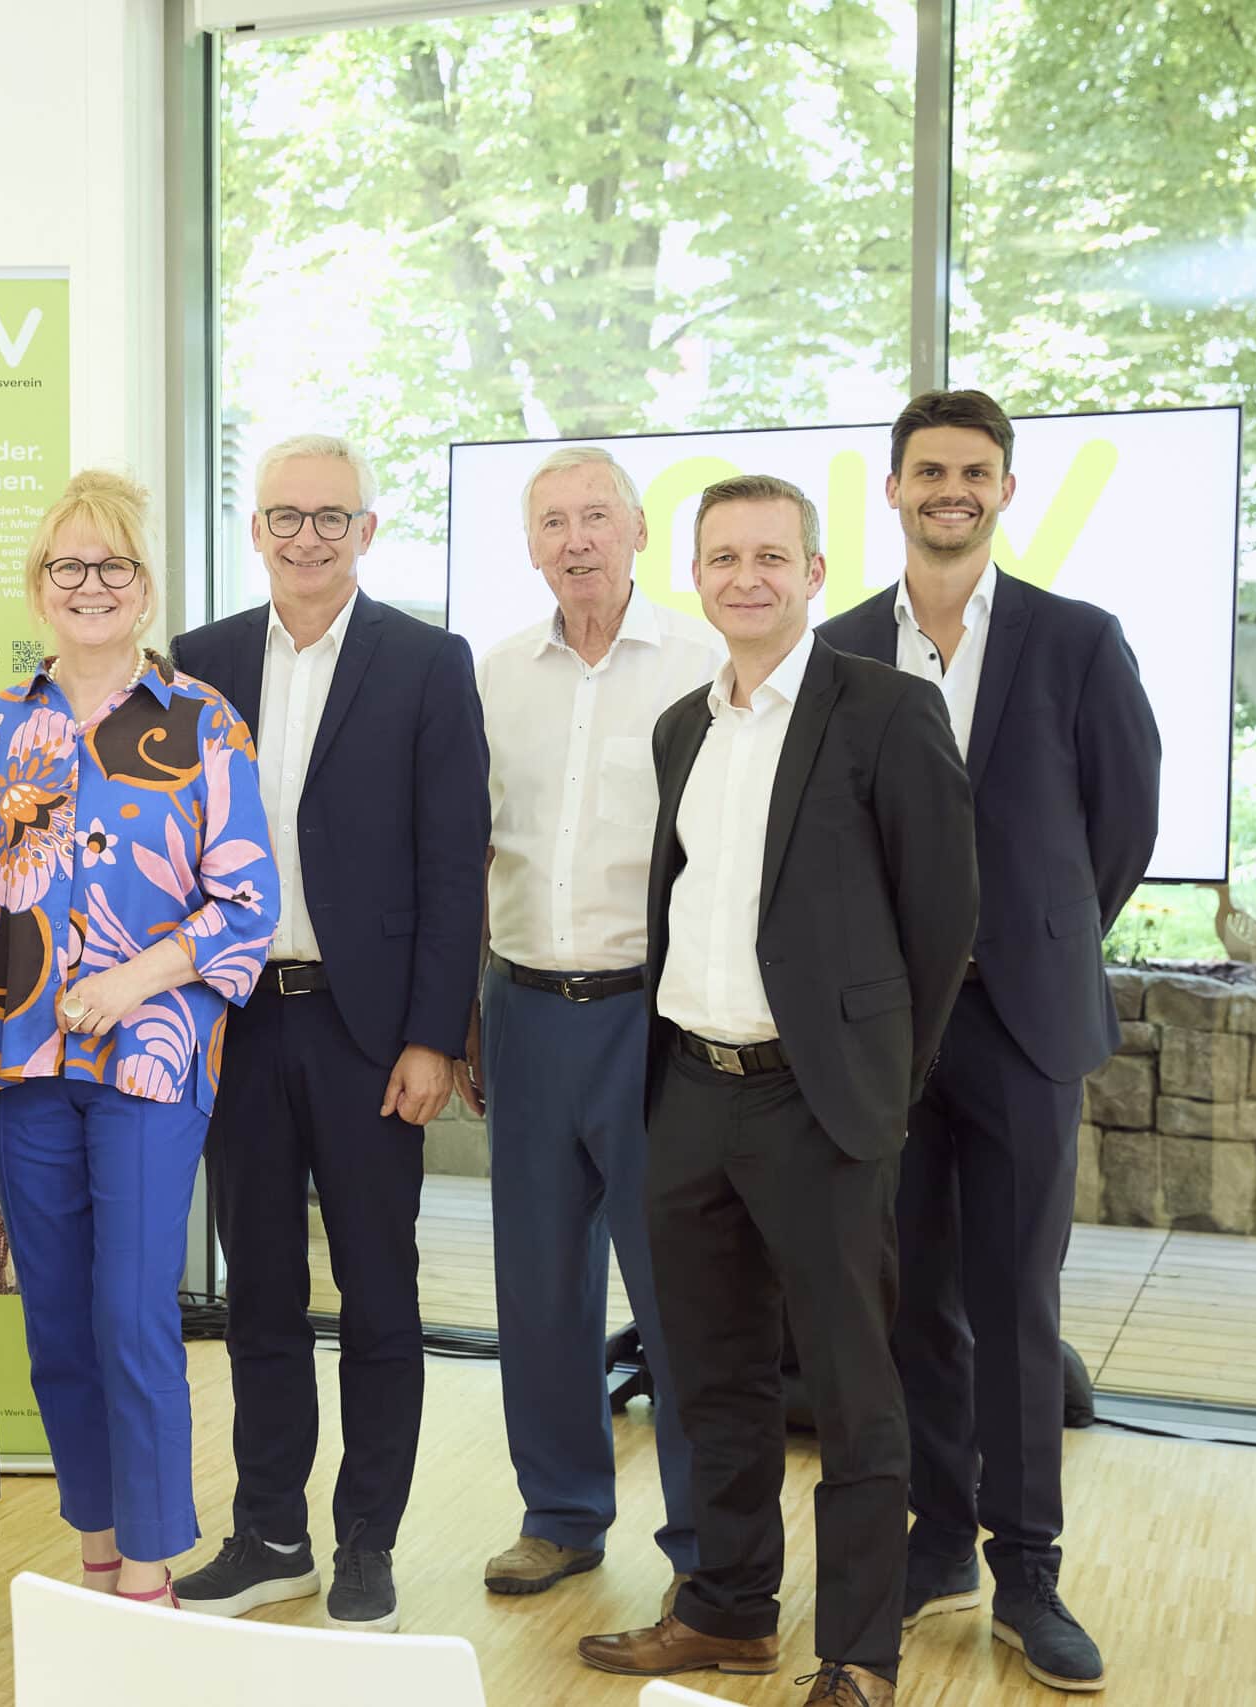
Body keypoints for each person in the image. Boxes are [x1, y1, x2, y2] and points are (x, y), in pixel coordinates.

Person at [577, 475, 976, 1707]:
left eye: (768, 556)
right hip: (691, 1089)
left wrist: (874, 1088)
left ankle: (856, 1654)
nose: (744, 578)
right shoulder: (682, 729)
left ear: (812, 572)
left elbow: (940, 921)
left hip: (819, 1105)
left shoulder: (887, 710)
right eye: (722, 557)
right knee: (711, 1376)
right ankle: (729, 1610)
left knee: (853, 1392)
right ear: (693, 573)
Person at [818, 390, 1159, 1692]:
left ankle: (1029, 1570)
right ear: (892, 489)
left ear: (1006, 489)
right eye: (928, 471)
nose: (950, 490)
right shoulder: (841, 646)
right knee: (908, 1301)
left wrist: (1034, 938)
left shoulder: (1077, 641)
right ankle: (937, 1540)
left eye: (973, 471)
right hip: (887, 1031)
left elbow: (1121, 823)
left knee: (1015, 1303)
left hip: (1022, 1023)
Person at [171, 434, 488, 1633]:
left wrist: (433, 1036)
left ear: (366, 529)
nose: (306, 537)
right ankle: (268, 1536)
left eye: (330, 517)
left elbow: (452, 862)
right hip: (238, 1023)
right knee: (256, 1294)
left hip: (370, 1035)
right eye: (285, 517)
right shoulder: (197, 663)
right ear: (256, 529)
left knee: (379, 1298)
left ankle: (367, 1543)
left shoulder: (426, 660)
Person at [0, 470, 280, 1611]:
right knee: (54, 1323)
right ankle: (97, 1557)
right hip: (22, 1066)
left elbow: (249, 902)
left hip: (149, 1059)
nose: (90, 585)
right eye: (69, 566)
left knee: (133, 1315)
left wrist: (127, 984)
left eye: (114, 566)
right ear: (38, 586)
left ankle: (150, 1578)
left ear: (145, 588)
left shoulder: (203, 721)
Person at [462, 447, 719, 1612]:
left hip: (650, 1019)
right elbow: (471, 848)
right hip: (521, 1009)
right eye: (553, 522)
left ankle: (705, 1551)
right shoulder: (494, 675)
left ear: (638, 533)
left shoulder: (701, 663)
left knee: (678, 1295)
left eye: (596, 518)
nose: (575, 540)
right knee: (538, 1289)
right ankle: (560, 1517)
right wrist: (462, 1014)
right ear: (530, 544)